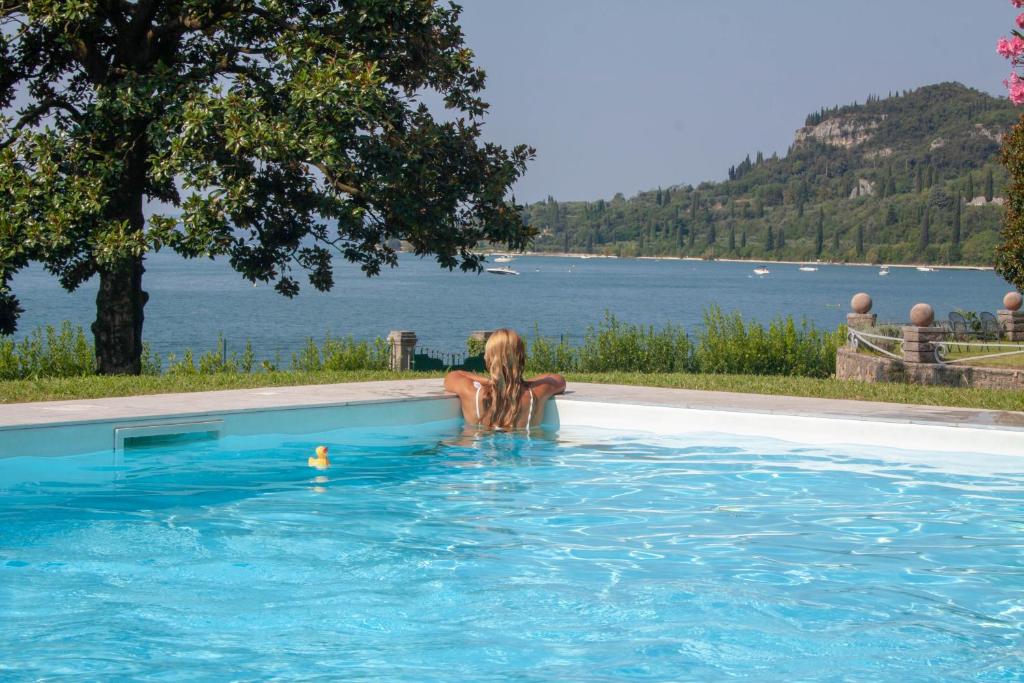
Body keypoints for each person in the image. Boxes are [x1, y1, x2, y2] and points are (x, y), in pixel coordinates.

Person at [444, 328, 566, 431]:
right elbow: (558, 379)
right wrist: (522, 383)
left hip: (479, 455)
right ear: (522, 358)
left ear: (489, 359)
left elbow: (453, 375)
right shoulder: (536, 393)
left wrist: (488, 381)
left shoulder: (472, 393)